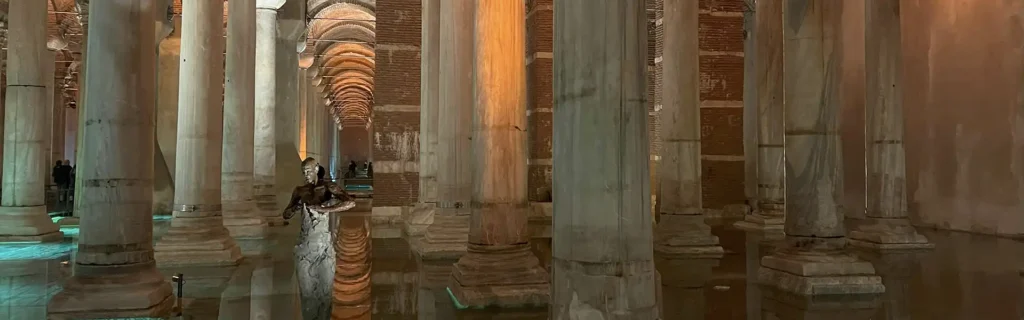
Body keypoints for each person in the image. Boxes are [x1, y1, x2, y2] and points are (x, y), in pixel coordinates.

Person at [282, 157, 356, 319]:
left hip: (323, 249)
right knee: (307, 296)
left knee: (325, 295)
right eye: (303, 172)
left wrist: (325, 209)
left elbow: (350, 202)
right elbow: (286, 214)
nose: (306, 174)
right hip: (304, 249)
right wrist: (296, 207)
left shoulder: (328, 188)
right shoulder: (300, 191)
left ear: (316, 169)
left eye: (308, 171)